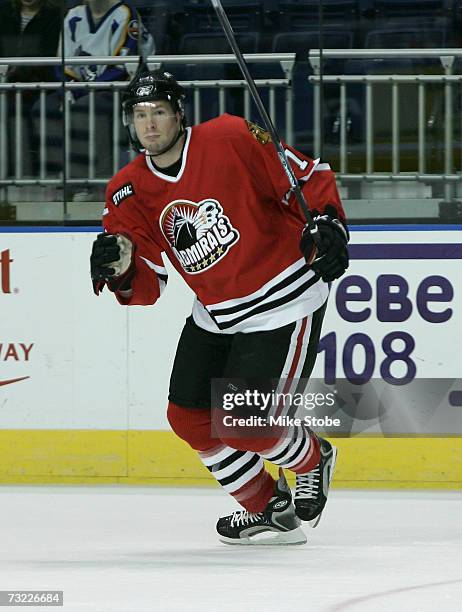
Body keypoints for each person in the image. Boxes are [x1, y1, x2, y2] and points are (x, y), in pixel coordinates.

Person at [90, 67, 350, 545]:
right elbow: (148, 285)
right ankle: (269, 508)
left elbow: (304, 177)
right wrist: (122, 264)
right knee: (188, 417)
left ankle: (313, 457)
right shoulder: (127, 190)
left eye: (160, 113)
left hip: (283, 300)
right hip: (218, 313)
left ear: (179, 115)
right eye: (140, 115)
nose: (150, 125)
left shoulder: (229, 136)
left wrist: (329, 222)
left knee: (247, 426)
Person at [32, 0, 154, 201]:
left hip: (119, 90)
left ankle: (88, 183)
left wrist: (85, 91)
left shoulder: (125, 14)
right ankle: (58, 180)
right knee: (44, 107)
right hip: (81, 89)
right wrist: (71, 90)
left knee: (85, 107)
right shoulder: (73, 16)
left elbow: (124, 65)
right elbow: (61, 63)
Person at [0, 0, 61, 176]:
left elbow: (48, 56)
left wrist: (17, 73)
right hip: (6, 84)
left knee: (17, 108)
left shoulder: (54, 17)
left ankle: (25, 175)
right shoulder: (4, 14)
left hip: (39, 85)